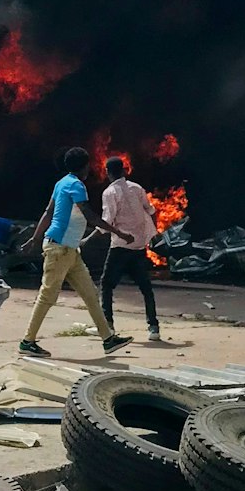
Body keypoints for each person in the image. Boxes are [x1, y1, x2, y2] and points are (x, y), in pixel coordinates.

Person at [19, 148, 135, 357]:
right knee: (47, 296)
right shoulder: (76, 186)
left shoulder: (61, 183)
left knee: (90, 294)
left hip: (69, 250)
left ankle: (108, 339)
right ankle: (28, 341)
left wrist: (35, 239)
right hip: (60, 249)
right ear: (85, 166)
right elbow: (90, 216)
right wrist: (119, 233)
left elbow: (48, 212)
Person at [98, 157, 163, 342]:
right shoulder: (137, 188)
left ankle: (107, 325)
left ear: (107, 172)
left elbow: (107, 221)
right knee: (146, 287)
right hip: (139, 246)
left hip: (120, 246)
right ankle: (154, 326)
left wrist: (91, 236)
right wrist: (153, 233)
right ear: (124, 171)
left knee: (106, 284)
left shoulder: (109, 192)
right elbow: (151, 211)